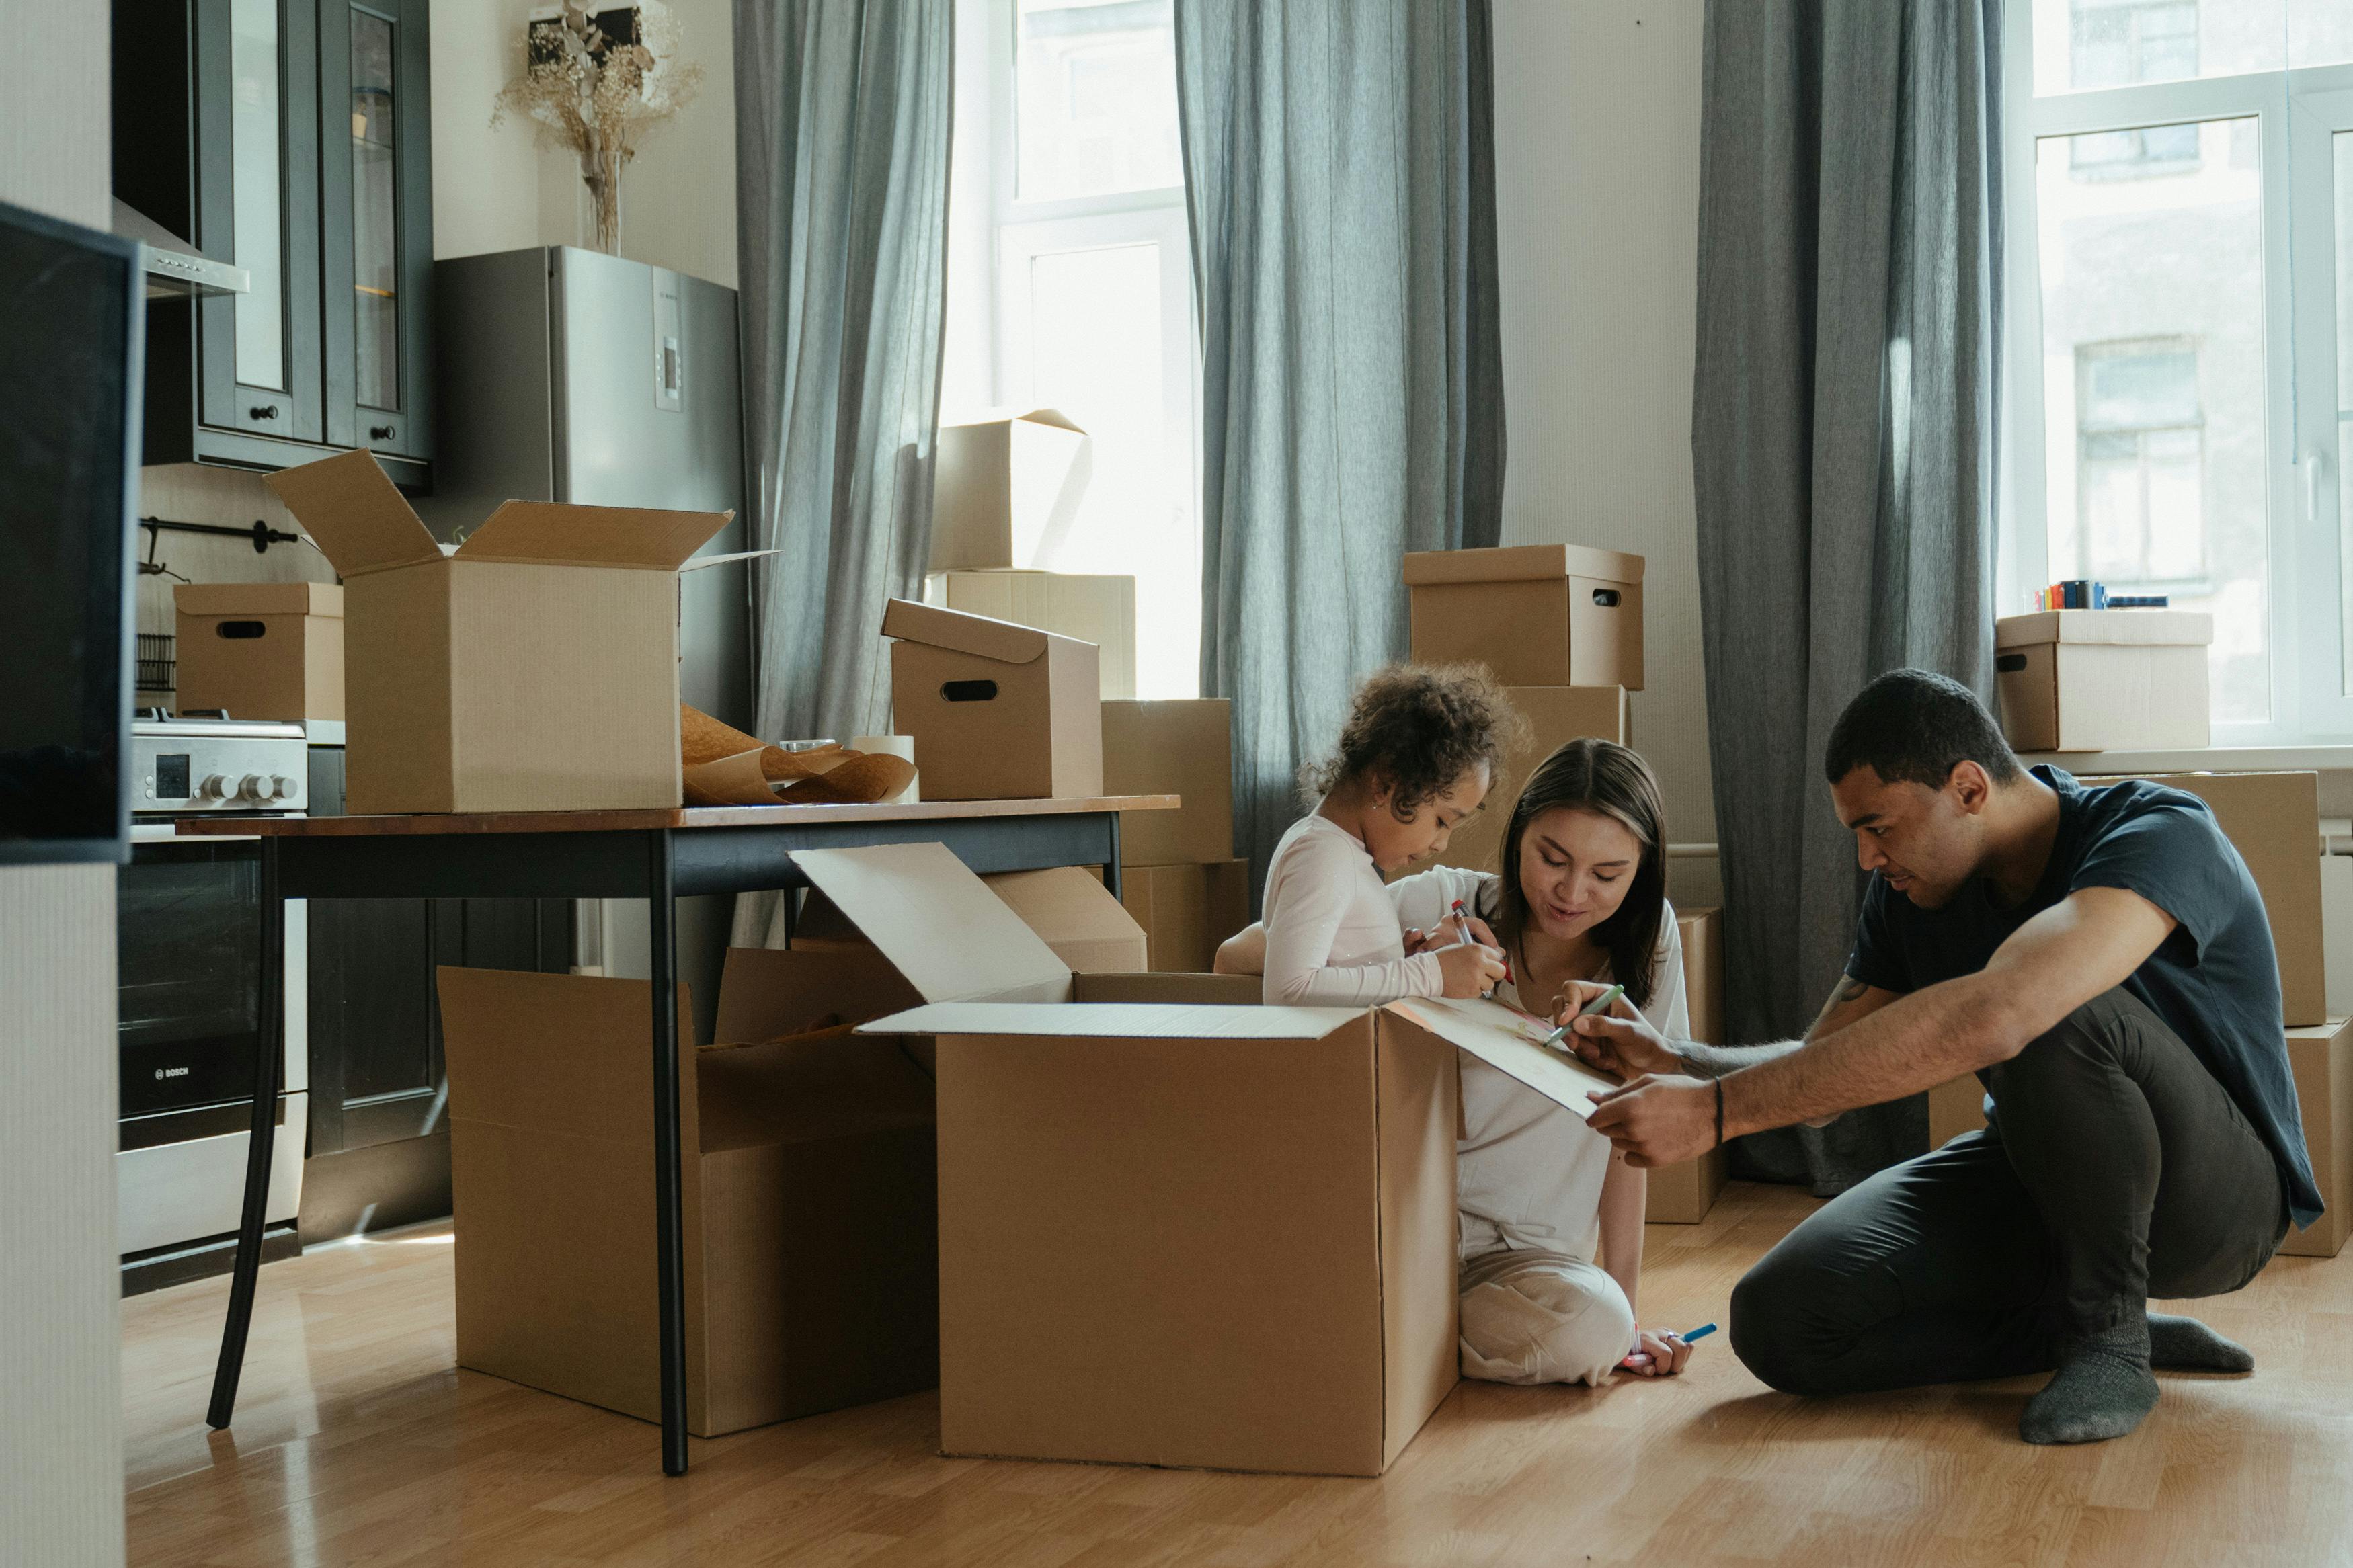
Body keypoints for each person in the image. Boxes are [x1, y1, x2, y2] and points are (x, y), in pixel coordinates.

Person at [1564, 668, 2314, 1444]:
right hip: (2039, 1175)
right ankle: (2069, 1326)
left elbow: (2008, 1009)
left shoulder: (2158, 831)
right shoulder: (1911, 894)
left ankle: (2109, 1339)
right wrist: (1678, 1061)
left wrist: (1715, 1115)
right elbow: (1823, 1071)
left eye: (1878, 826)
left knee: (2047, 1004)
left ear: (1966, 787)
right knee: (1780, 1320)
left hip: (2216, 1205)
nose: (1864, 858)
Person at [1225, 735, 1701, 1385]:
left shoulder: (1653, 947)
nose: (1571, 891)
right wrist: (1413, 964)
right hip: (1403, 1230)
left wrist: (1628, 1311)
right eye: (1552, 858)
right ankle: (1395, 1328)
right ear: (1517, 837)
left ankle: (1389, 1334)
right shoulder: (1440, 899)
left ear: (1641, 871)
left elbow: (1632, 1133)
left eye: (1607, 875)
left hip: (1528, 1262)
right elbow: (1239, 956)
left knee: (1598, 1326)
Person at [1257, 663, 1514, 1006]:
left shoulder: (1339, 852)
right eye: (1441, 821)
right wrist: (1430, 973)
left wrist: (1398, 964)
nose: (1442, 844)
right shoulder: (1323, 854)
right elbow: (1290, 990)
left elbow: (1339, 974)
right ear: (1385, 784)